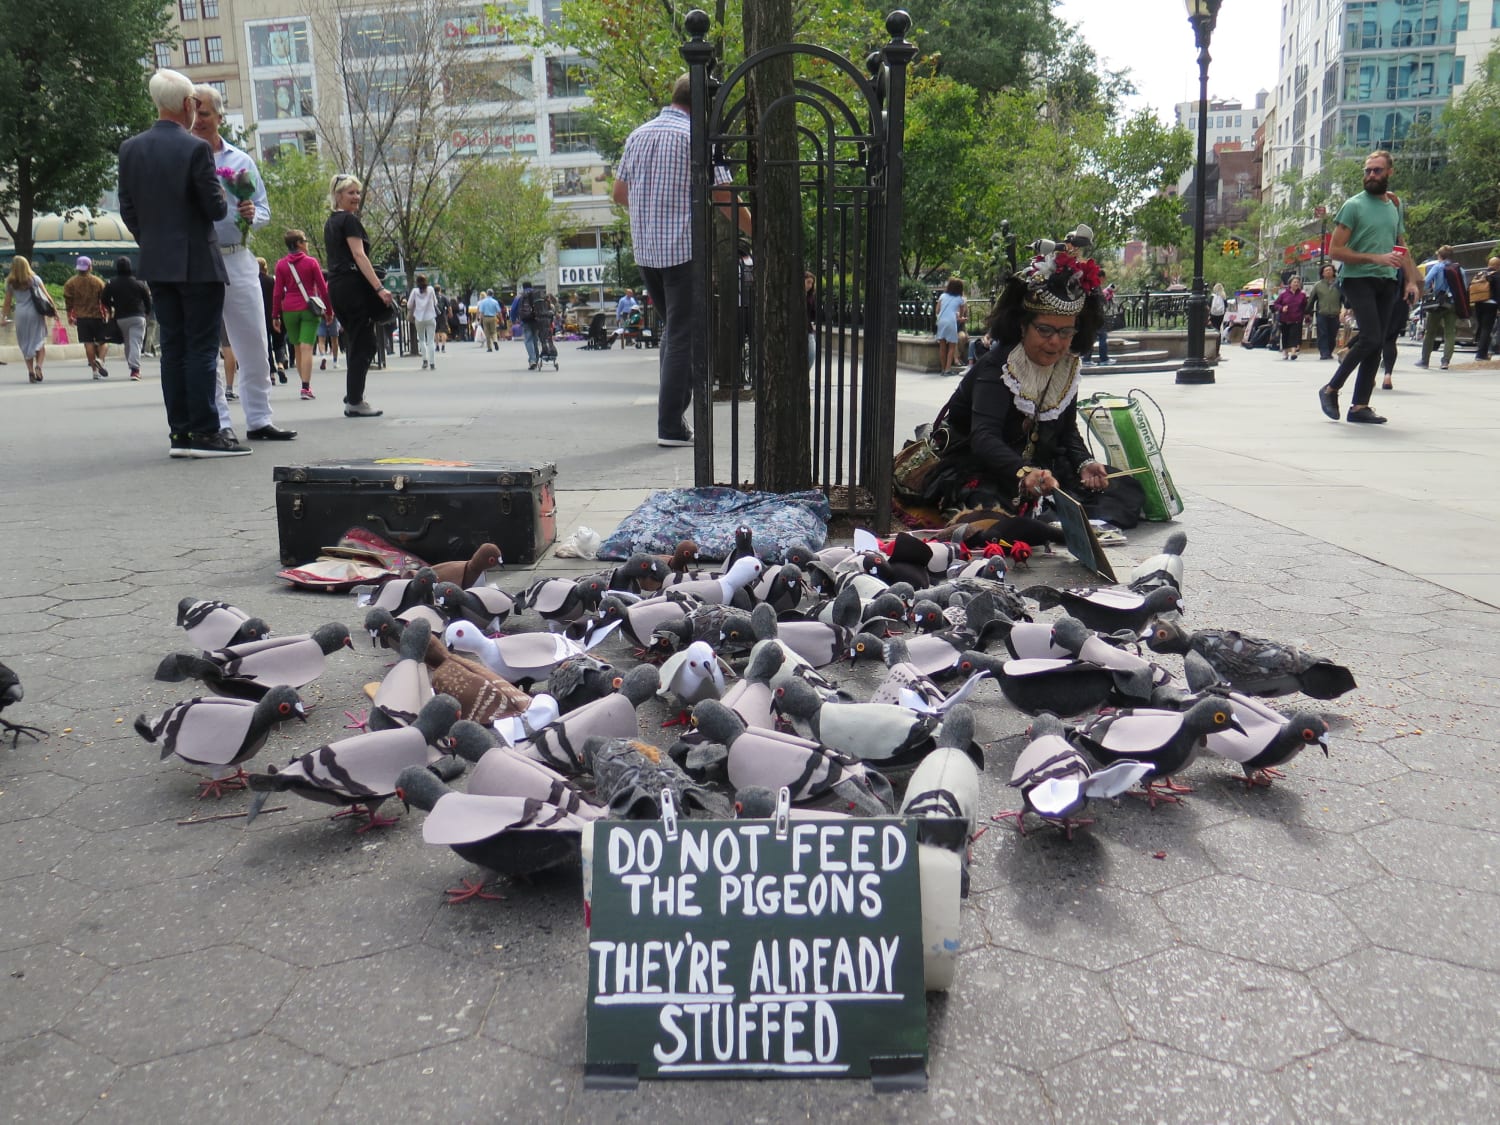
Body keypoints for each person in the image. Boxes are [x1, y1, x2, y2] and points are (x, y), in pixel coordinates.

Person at [927, 248, 1141, 526]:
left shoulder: (1066, 367)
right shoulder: (998, 367)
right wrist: (1023, 472)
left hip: (1040, 467)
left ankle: (1056, 521)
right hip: (984, 464)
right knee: (993, 511)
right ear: (1023, 326)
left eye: (1066, 332)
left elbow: (1066, 431)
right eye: (1045, 330)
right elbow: (984, 438)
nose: (1056, 342)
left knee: (1126, 490)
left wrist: (1084, 464)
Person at [613, 73, 751, 447]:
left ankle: (673, 417)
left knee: (673, 333)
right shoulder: (697, 140)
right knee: (681, 335)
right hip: (682, 251)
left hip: (648, 252)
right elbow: (724, 197)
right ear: (705, 105)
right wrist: (758, 231)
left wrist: (650, 211)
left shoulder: (638, 135)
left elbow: (619, 194)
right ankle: (670, 425)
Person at [117, 69, 246, 458]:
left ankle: (181, 433)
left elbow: (128, 209)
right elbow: (214, 206)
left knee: (173, 348)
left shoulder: (130, 149)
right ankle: (208, 432)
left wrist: (152, 240)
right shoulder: (195, 149)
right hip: (197, 262)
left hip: (157, 263)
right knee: (203, 348)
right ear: (188, 104)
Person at [191, 84, 295, 443]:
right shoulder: (184, 155)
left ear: (220, 117)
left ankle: (259, 418)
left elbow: (264, 208)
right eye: (194, 112)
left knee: (253, 339)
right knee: (208, 346)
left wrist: (254, 215)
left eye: (205, 113)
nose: (199, 119)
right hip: (199, 260)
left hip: (238, 256)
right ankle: (219, 422)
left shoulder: (240, 161)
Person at [1318, 150, 1421, 425]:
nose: (1371, 175)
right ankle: (1331, 389)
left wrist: (1411, 280)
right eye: (1367, 171)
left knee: (1377, 343)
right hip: (1357, 278)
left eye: (1377, 170)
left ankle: (1359, 406)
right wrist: (1375, 257)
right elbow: (1335, 251)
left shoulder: (1394, 205)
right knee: (1372, 338)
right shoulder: (1353, 206)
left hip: (1387, 280)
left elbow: (1401, 244)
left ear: (1389, 172)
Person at [323, 172, 391, 417]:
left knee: (355, 339)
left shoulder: (331, 222)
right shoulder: (349, 221)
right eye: (351, 192)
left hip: (337, 285)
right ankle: (354, 400)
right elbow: (359, 255)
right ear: (338, 195)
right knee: (366, 342)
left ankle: (353, 393)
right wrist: (379, 288)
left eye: (358, 192)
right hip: (352, 286)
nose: (356, 197)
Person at [271, 228, 330, 400]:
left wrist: (275, 315)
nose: (307, 244)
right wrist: (329, 309)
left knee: (297, 347)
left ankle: (303, 384)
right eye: (305, 240)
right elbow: (323, 289)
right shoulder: (311, 263)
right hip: (308, 309)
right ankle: (306, 387)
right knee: (307, 347)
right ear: (298, 244)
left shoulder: (281, 265)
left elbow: (277, 292)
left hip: (288, 310)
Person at [100, 257, 152, 381]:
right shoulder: (138, 282)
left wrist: (112, 306)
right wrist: (147, 311)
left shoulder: (111, 283)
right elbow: (147, 299)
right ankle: (135, 370)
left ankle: (132, 366)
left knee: (128, 343)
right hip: (137, 316)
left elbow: (104, 299)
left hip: (121, 317)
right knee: (135, 342)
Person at [1416, 245, 1466, 371]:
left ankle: (1425, 360)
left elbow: (1426, 282)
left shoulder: (1437, 267)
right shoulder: (1460, 269)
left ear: (1440, 256)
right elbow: (1464, 287)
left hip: (1438, 304)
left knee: (1430, 332)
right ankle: (1445, 361)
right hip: (1453, 304)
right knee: (1450, 333)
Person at [1, 255, 50, 382]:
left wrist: (3, 317)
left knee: (25, 342)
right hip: (36, 313)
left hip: (21, 313)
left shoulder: (10, 283)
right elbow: (46, 296)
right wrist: (53, 310)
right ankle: (38, 366)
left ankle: (30, 371)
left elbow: (7, 303)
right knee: (39, 340)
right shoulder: (35, 279)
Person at [63, 256, 110, 380]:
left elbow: (68, 302)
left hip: (81, 318)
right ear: (90, 267)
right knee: (103, 342)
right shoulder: (98, 282)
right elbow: (105, 300)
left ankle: (94, 371)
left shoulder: (70, 283)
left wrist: (69, 316)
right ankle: (100, 360)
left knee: (88, 343)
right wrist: (108, 314)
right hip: (97, 316)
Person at [258, 256, 288, 384]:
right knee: (279, 342)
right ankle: (281, 364)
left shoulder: (254, 282)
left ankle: (271, 374)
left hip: (261, 317)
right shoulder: (272, 281)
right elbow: (281, 296)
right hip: (276, 315)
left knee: (267, 346)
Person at [1271, 274, 1310, 360]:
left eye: (1298, 282)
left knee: (1294, 336)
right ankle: (1285, 352)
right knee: (1285, 335)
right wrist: (1282, 308)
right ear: (1290, 283)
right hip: (1285, 318)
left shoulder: (1302, 295)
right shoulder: (1284, 294)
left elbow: (1305, 306)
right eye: (1294, 282)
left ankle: (1293, 352)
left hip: (1296, 318)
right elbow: (1276, 304)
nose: (1296, 284)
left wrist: (1307, 315)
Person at [1309, 264, 1343, 360]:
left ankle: (1329, 351)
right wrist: (1308, 313)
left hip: (1335, 313)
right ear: (1322, 273)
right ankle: (1324, 353)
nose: (1328, 271)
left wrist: (1346, 309)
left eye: (1330, 270)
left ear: (1333, 271)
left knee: (1332, 334)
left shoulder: (1339, 284)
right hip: (1322, 313)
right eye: (1326, 270)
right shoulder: (1318, 285)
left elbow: (1344, 298)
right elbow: (1311, 300)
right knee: (1322, 333)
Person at [934, 278, 967, 374]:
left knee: (942, 346)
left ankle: (943, 369)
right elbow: (960, 316)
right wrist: (961, 318)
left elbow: (937, 311)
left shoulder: (942, 296)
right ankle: (948, 369)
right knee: (952, 346)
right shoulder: (960, 299)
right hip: (951, 322)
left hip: (941, 321)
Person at [1472, 256, 1500, 362]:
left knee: (1482, 327)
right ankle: (1480, 354)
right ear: (1497, 266)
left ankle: (1482, 351)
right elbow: (1498, 292)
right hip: (1490, 304)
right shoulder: (1497, 275)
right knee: (1486, 329)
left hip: (1478, 303)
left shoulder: (1480, 274)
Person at [409, 273, 439, 369]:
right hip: (430, 317)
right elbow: (435, 302)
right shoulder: (430, 290)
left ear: (417, 282)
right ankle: (432, 363)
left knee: (422, 340)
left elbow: (409, 305)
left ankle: (424, 360)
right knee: (431, 341)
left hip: (419, 318)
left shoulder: (414, 291)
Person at [511, 283, 539, 368]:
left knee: (528, 340)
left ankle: (532, 360)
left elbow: (513, 309)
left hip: (525, 320)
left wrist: (513, 320)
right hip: (536, 320)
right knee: (535, 340)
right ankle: (536, 359)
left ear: (523, 288)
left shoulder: (519, 297)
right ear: (531, 286)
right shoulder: (537, 295)